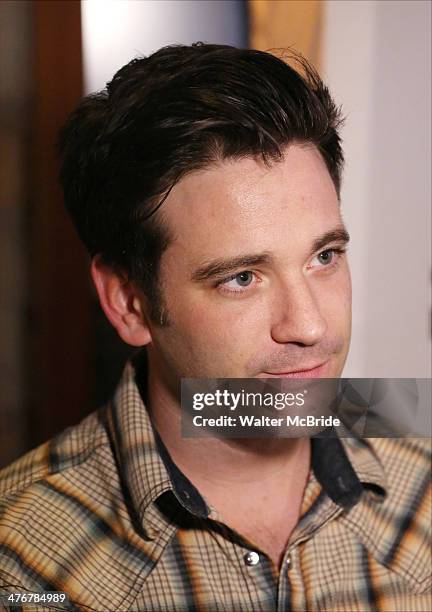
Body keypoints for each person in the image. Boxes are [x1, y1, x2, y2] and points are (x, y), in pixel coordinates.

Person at [0, 43, 430, 612]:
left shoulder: (421, 486)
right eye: (242, 278)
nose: (309, 325)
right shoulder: (20, 561)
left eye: (323, 257)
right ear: (130, 302)